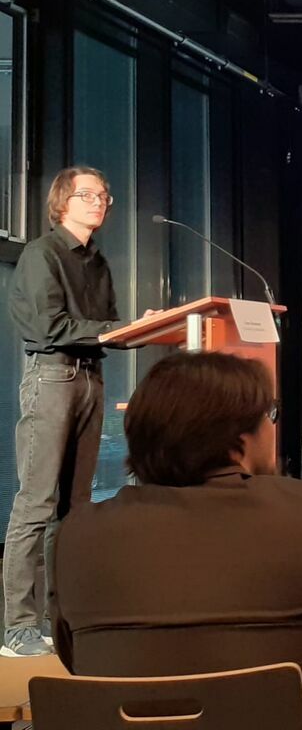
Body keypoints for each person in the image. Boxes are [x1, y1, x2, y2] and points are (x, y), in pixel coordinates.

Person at [51, 351, 302, 730]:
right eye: (269, 416)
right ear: (240, 443)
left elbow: (79, 662)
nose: (273, 427)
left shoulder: (77, 535)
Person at [3, 167, 120, 657]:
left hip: (92, 377)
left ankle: (60, 618)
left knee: (75, 508)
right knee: (36, 503)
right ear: (61, 203)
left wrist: (139, 327)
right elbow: (49, 326)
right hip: (52, 378)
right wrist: (114, 330)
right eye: (87, 195)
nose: (98, 202)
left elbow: (108, 324)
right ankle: (17, 627)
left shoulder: (98, 261)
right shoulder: (42, 254)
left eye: (104, 196)